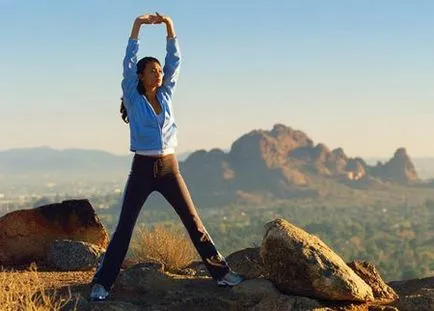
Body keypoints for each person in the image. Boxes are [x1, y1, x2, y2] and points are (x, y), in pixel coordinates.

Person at [89, 12, 244, 302]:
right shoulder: (132, 96)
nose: (159, 73)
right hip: (143, 167)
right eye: (153, 70)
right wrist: (137, 26)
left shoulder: (167, 94)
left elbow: (176, 61)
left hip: (170, 168)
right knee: (125, 227)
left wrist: (169, 26)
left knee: (193, 221)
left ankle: (222, 274)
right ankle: (102, 283)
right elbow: (127, 60)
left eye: (160, 70)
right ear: (141, 75)